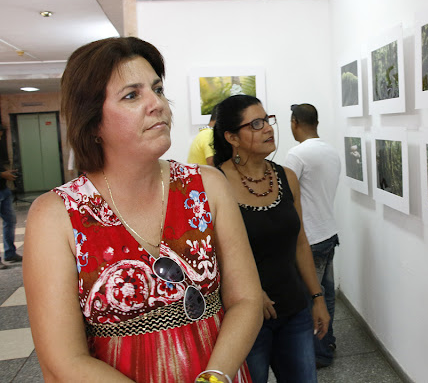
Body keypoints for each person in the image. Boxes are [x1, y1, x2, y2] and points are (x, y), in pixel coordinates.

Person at [23, 37, 263, 383]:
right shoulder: (56, 215)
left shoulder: (206, 186)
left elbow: (246, 299)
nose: (159, 104)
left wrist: (215, 376)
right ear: (92, 122)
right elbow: (64, 358)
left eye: (158, 89)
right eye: (132, 95)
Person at [213, 94, 330, 383]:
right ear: (232, 137)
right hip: (244, 318)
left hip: (293, 308)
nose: (268, 128)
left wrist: (317, 297)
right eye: (255, 124)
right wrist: (251, 292)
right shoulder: (215, 183)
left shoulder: (287, 177)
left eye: (267, 120)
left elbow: (300, 241)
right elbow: (212, 255)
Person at [285, 104, 341, 368]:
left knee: (310, 299)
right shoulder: (330, 151)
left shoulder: (297, 155)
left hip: (311, 240)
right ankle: (326, 341)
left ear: (295, 122)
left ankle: (318, 352)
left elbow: (283, 196)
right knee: (326, 295)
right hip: (329, 232)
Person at [0, 126, 20, 269]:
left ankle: (10, 253)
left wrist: (6, 172)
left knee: (10, 221)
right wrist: (2, 175)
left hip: (3, 189)